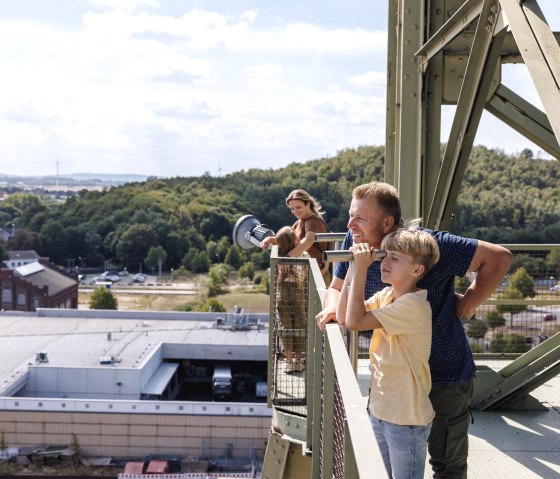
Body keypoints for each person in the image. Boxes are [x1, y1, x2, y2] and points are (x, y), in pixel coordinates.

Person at [316, 181, 512, 478]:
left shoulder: (429, 246)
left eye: (360, 218)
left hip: (442, 375)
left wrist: (469, 304)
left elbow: (498, 257)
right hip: (394, 384)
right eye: (350, 215)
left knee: (447, 464)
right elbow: (336, 286)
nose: (349, 224)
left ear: (388, 223)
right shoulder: (354, 240)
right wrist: (332, 306)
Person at [339, 228, 440, 478]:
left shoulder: (412, 305)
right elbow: (343, 315)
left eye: (394, 258)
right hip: (381, 410)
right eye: (385, 255)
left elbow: (354, 321)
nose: (384, 262)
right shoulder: (389, 296)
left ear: (417, 270)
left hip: (405, 419)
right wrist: (352, 268)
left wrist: (362, 269)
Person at [261, 189, 330, 283]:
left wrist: (288, 258)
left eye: (298, 207)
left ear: (308, 204)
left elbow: (308, 240)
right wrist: (271, 239)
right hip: (303, 274)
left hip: (316, 275)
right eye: (292, 209)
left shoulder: (314, 221)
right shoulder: (299, 222)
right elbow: (288, 238)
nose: (295, 211)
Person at [275, 226, 308, 372]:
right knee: (300, 324)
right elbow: (306, 272)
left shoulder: (278, 256)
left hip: (282, 291)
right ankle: (299, 361)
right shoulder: (302, 254)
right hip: (297, 290)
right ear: (293, 239)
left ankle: (288, 361)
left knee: (285, 326)